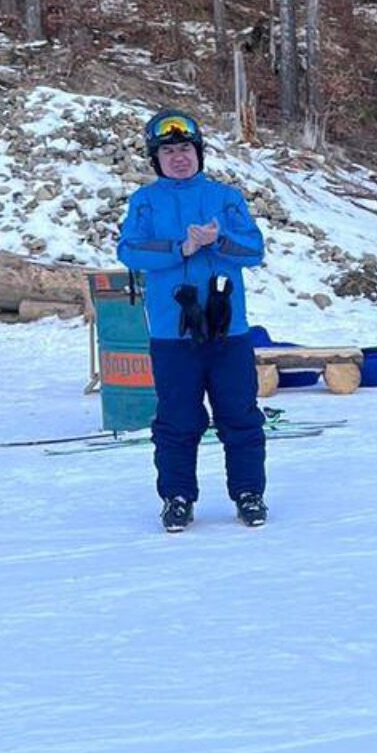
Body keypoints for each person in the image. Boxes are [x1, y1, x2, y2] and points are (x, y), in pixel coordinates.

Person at [117, 109, 271, 532]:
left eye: (185, 148)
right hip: (173, 335)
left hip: (229, 331)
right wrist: (180, 248)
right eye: (168, 152)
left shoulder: (226, 197)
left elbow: (254, 251)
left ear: (199, 152)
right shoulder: (144, 202)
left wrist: (218, 241)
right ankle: (178, 497)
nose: (179, 158)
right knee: (177, 421)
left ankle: (248, 493)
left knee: (240, 416)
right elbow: (130, 251)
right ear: (156, 159)